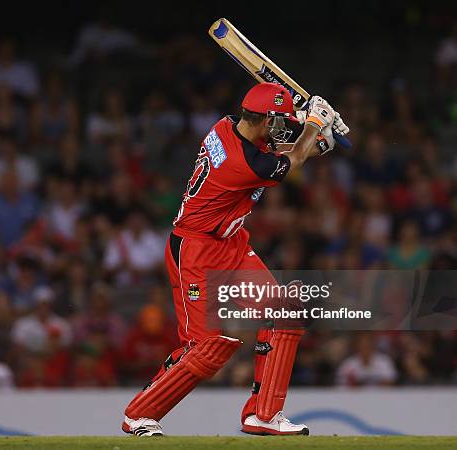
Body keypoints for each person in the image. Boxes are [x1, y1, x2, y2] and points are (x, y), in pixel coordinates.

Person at [121, 83, 349, 436]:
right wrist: (313, 130)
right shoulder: (243, 164)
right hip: (196, 251)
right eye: (278, 122)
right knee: (205, 348)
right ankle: (139, 415)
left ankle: (264, 415)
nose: (280, 128)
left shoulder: (226, 126)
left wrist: (311, 131)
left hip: (229, 244)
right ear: (266, 120)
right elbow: (286, 163)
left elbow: (277, 150)